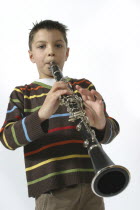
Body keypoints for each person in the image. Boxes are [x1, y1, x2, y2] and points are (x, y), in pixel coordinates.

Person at [0, 20, 120, 210]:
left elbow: (111, 132)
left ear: (67, 52)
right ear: (31, 55)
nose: (51, 52)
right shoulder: (22, 93)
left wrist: (101, 123)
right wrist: (41, 114)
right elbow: (7, 139)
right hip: (52, 190)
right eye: (42, 46)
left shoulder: (83, 86)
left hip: (92, 184)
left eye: (58, 45)